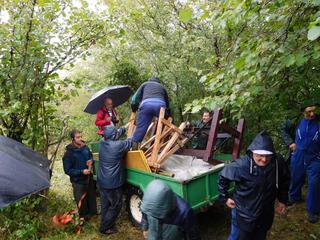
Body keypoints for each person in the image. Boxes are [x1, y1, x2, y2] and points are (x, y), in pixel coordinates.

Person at [218, 131, 290, 240]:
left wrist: (282, 200)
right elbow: (223, 177)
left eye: (268, 155)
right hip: (243, 213)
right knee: (237, 237)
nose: (264, 159)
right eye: (260, 155)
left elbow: (284, 180)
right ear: (252, 152)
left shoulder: (277, 162)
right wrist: (225, 197)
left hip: (265, 213)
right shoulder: (241, 165)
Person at [283, 100, 320, 223]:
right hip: (298, 154)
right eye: (309, 111)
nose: (312, 114)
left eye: (314, 111)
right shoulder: (295, 121)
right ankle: (294, 197)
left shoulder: (319, 122)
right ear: (304, 111)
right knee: (296, 176)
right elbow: (283, 129)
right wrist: (290, 143)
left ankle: (312, 210)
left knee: (314, 182)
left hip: (315, 157)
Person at [98, 125, 132, 235]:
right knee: (116, 205)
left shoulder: (102, 142)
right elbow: (130, 142)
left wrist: (125, 127)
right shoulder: (118, 145)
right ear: (114, 136)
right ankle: (105, 228)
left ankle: (106, 223)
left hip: (102, 180)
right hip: (113, 183)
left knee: (105, 205)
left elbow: (116, 133)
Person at [63, 129, 97, 220]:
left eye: (81, 136)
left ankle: (93, 213)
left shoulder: (85, 147)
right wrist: (81, 172)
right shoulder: (69, 153)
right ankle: (84, 217)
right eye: (78, 137)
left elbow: (90, 156)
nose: (80, 139)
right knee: (81, 199)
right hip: (78, 181)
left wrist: (91, 161)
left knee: (91, 196)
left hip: (88, 178)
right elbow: (67, 170)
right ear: (73, 139)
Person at [131, 77, 170, 146]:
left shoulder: (145, 84)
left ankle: (135, 145)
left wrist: (134, 108)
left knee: (141, 127)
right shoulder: (162, 87)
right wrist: (168, 114)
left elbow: (134, 98)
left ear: (149, 80)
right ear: (158, 82)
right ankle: (163, 140)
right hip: (160, 106)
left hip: (146, 105)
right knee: (164, 123)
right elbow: (167, 103)